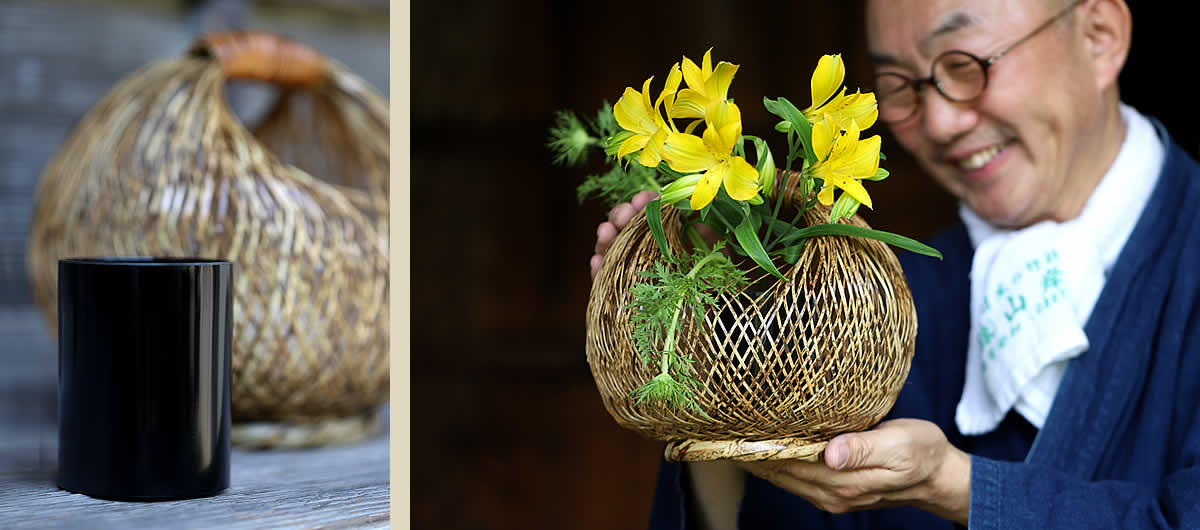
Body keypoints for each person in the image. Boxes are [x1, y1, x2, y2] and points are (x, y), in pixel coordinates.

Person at [589, 0, 1200, 528]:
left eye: (966, 66)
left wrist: (959, 489)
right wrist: (710, 364)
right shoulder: (877, 296)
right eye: (900, 87)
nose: (938, 123)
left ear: (1100, 35)